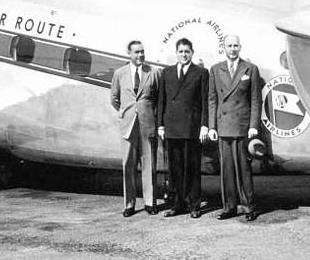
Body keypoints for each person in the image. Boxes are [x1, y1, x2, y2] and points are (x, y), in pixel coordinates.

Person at [208, 35, 261, 221]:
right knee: (227, 169)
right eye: (229, 46)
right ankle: (229, 207)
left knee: (243, 169)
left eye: (235, 46)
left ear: (240, 47)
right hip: (223, 126)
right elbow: (212, 99)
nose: (232, 49)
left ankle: (248, 207)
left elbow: (255, 100)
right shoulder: (215, 69)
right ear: (224, 48)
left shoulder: (250, 69)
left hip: (242, 125)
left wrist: (253, 126)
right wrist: (212, 126)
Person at [157, 38, 209, 218]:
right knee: (175, 169)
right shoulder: (167, 72)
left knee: (192, 169)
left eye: (187, 51)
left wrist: (204, 125)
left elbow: (204, 101)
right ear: (176, 52)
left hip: (191, 128)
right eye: (181, 51)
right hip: (172, 127)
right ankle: (177, 204)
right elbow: (161, 101)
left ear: (192, 53)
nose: (184, 54)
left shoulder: (201, 72)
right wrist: (161, 125)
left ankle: (194, 205)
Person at [110, 40, 160, 217]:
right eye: (137, 52)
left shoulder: (153, 73)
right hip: (128, 125)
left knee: (149, 164)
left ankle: (150, 202)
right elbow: (114, 98)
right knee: (128, 165)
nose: (140, 55)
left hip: (147, 124)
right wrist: (126, 113)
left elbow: (158, 99)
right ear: (129, 54)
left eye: (142, 52)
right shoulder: (120, 74)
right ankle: (129, 204)